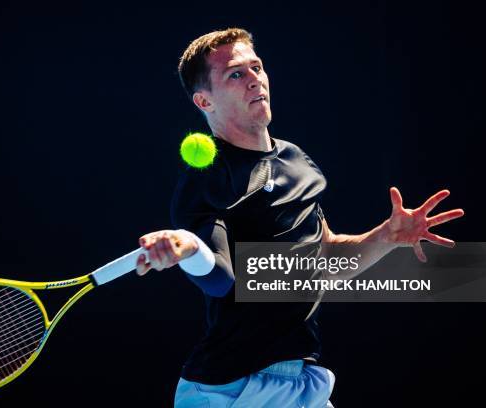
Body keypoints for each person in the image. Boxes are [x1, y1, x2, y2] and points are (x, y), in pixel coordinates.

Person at [135, 28, 464, 408]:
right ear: (204, 100)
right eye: (235, 74)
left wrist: (386, 236)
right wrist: (190, 247)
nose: (254, 78)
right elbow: (221, 280)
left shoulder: (296, 161)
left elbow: (325, 261)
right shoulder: (208, 180)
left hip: (303, 383)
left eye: (256, 67)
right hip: (232, 389)